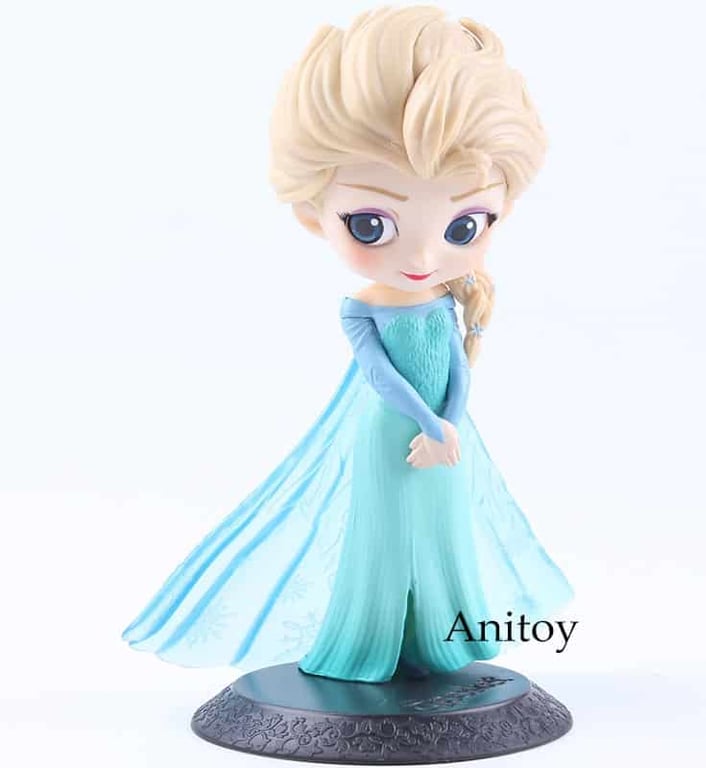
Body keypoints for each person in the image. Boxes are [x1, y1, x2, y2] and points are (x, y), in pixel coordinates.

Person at [122, 4, 573, 683]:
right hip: (392, 432)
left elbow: (457, 367)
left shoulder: (444, 300)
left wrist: (449, 426)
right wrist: (430, 425)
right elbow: (380, 377)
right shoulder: (362, 309)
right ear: (313, 215)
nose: (422, 256)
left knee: (444, 532)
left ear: (498, 213)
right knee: (386, 539)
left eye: (463, 225)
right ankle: (370, 641)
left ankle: (437, 640)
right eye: (371, 223)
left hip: (447, 437)